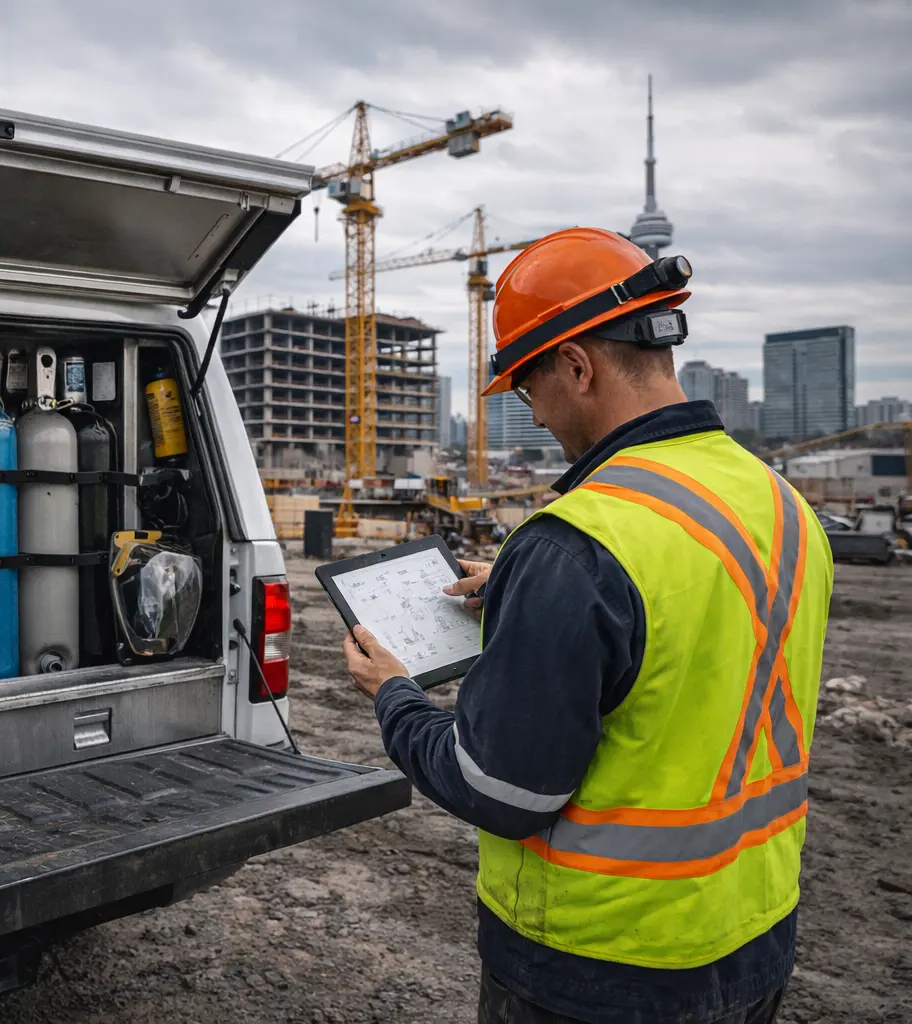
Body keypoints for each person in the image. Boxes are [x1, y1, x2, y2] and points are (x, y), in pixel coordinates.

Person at [343, 228, 833, 1024]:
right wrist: (524, 591)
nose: (532, 416)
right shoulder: (775, 501)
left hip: (600, 964)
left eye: (529, 387)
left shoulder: (578, 543)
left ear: (577, 365)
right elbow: (695, 622)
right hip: (753, 934)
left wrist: (393, 692)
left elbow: (498, 789)